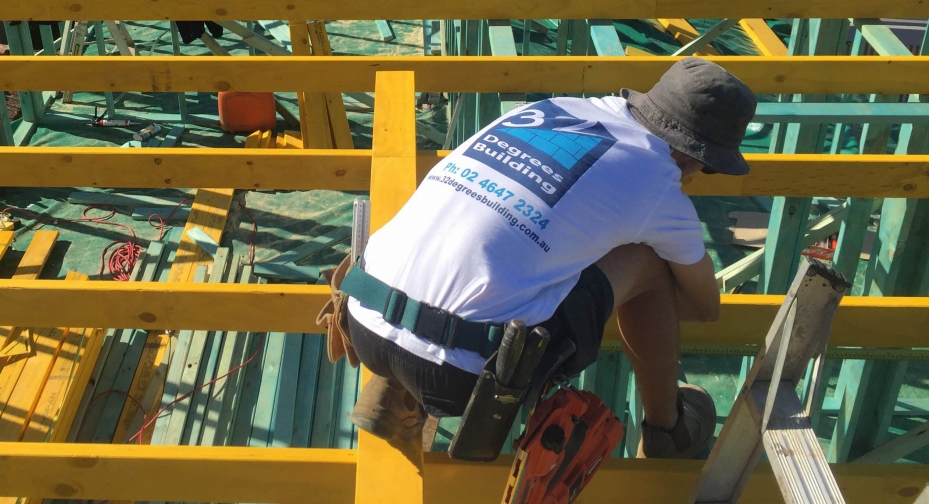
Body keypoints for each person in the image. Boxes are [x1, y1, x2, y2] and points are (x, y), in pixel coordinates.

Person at [321, 57, 756, 458]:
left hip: (362, 314)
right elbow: (704, 307)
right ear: (693, 157)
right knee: (648, 261)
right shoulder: (659, 182)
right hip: (461, 376)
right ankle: (668, 431)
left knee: (500, 236)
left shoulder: (553, 108)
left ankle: (391, 391)